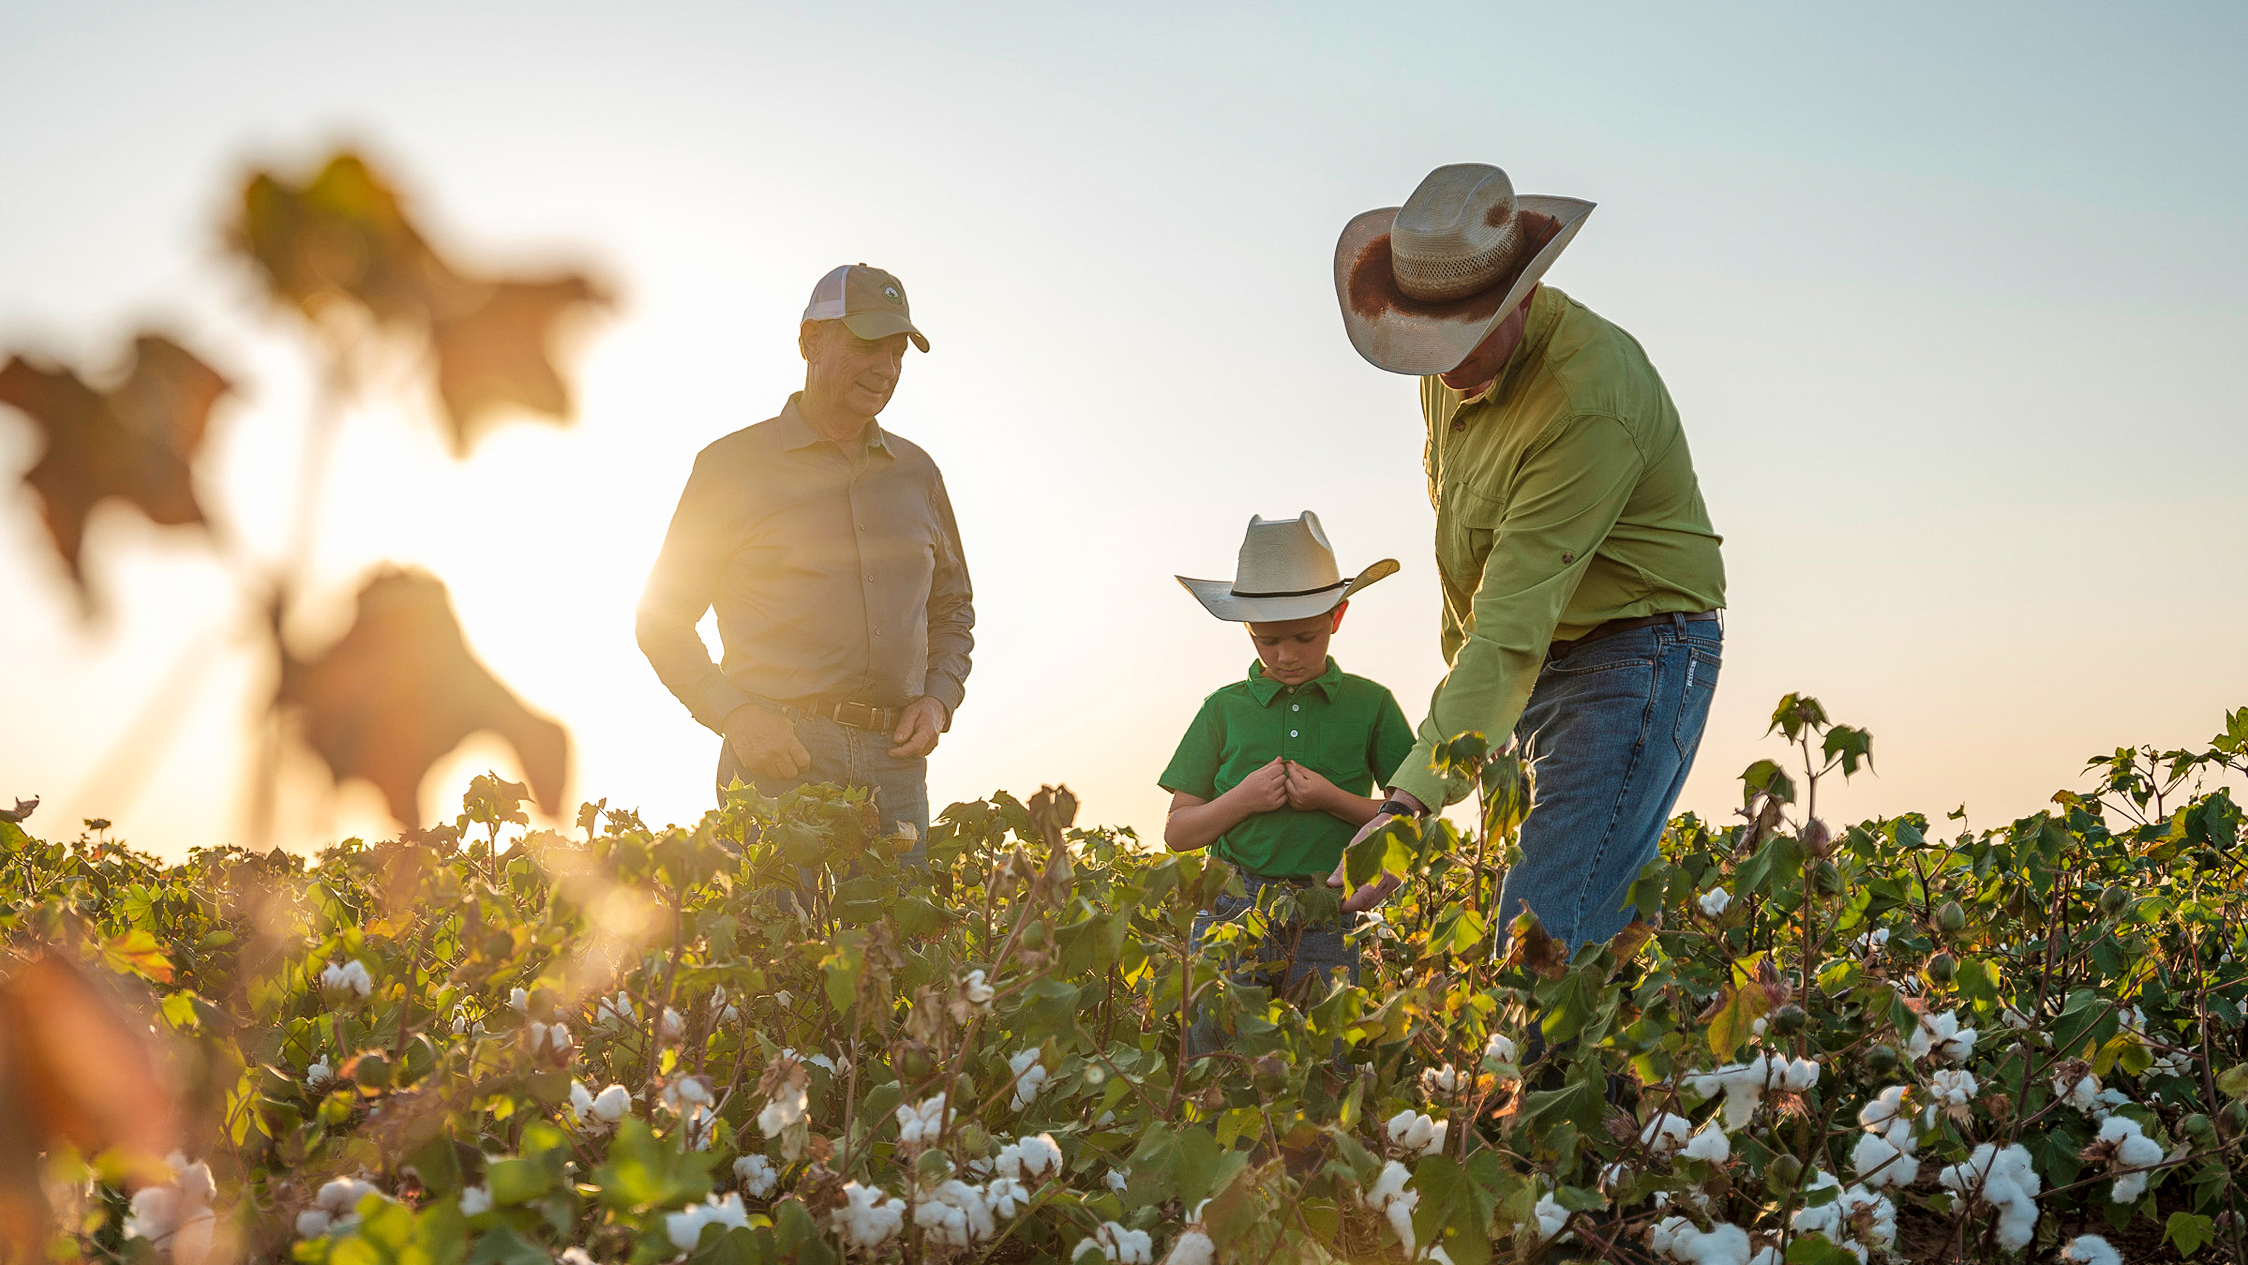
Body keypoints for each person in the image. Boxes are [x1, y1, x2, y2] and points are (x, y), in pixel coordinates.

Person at [1325, 163, 1726, 950]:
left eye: (1463, 333)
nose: (1443, 359)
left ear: (1523, 295)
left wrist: (1407, 805)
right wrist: (1470, 739)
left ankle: (1544, 1076)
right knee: (1581, 936)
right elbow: (1468, 561)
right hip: (1536, 658)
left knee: (1543, 929)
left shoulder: (1587, 397)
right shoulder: (1447, 372)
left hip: (1634, 655)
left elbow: (1509, 621)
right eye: (1424, 336)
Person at [636, 263, 973, 853]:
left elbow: (953, 607)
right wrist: (736, 716)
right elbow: (660, 620)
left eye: (898, 353)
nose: (886, 369)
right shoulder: (730, 466)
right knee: (777, 945)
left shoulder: (919, 474)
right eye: (869, 344)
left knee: (896, 947)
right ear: (810, 341)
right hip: (777, 762)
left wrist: (938, 699)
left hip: (895, 770)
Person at [1159, 512, 1415, 1055]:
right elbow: (1179, 832)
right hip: (1232, 904)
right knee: (1216, 1056)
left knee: (1326, 1062)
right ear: (1247, 630)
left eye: (1304, 636)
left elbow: (1407, 817)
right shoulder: (1222, 709)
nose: (1286, 655)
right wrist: (1243, 799)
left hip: (1332, 907)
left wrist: (1330, 798)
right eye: (1267, 640)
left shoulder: (1372, 705)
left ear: (1337, 616)